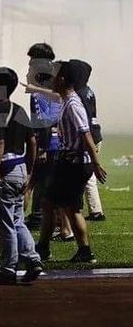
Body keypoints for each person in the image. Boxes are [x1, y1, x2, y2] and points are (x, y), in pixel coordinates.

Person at [35, 61, 107, 264]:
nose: (53, 79)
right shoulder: (66, 101)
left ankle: (78, 250)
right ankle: (47, 248)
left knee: (64, 206)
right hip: (68, 161)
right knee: (54, 204)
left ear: (63, 79)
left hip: (74, 163)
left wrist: (95, 163)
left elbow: (86, 135)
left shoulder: (74, 104)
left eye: (56, 76)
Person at [0, 67, 43, 285]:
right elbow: (32, 141)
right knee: (17, 220)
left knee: (6, 222)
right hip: (20, 170)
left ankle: (9, 268)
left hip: (4, 171)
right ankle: (33, 259)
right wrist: (30, 170)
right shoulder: (19, 110)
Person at [23, 43, 61, 231]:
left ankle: (39, 217)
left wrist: (43, 148)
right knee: (49, 181)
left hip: (48, 143)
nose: (28, 65)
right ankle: (56, 219)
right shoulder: (56, 82)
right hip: (59, 142)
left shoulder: (38, 93)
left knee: (39, 181)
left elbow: (43, 121)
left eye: (31, 61)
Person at [70, 59, 106, 221]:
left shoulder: (79, 94)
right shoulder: (87, 90)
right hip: (95, 134)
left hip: (89, 136)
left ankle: (92, 211)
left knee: (86, 174)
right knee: (88, 175)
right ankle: (95, 210)